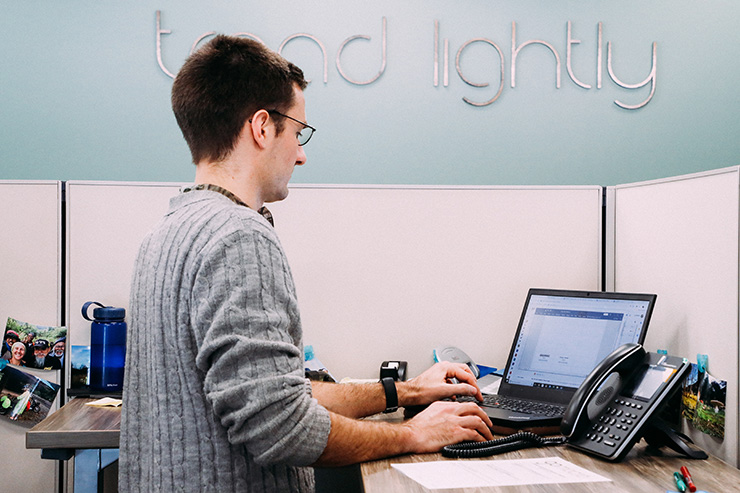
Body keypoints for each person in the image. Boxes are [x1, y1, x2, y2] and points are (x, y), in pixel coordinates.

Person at [119, 35, 493, 492]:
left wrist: (406, 391)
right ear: (261, 127)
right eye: (298, 131)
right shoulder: (238, 236)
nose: (301, 153)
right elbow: (280, 425)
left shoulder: (164, 234)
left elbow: (278, 391)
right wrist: (415, 433)